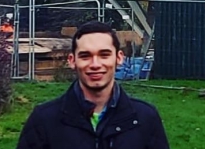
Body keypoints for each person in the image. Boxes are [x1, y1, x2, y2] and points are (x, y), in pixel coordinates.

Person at [16, 21, 169, 149]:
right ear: (72, 61)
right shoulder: (44, 120)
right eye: (85, 56)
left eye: (104, 55)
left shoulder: (145, 118)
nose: (95, 64)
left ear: (119, 58)